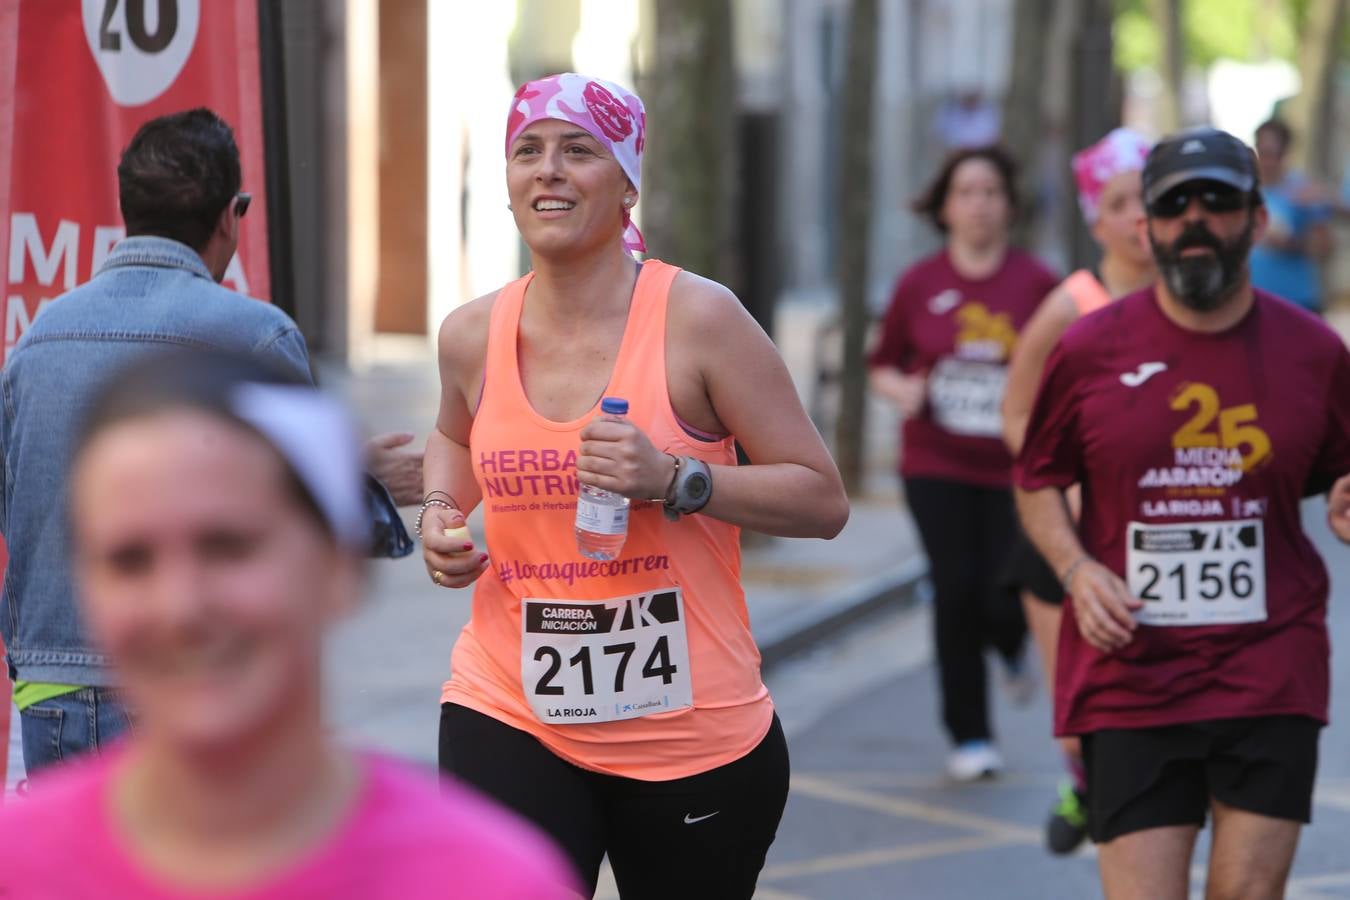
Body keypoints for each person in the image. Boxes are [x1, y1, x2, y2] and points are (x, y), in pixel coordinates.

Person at [420, 72, 848, 899]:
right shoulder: (470, 333)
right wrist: (441, 510)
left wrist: (678, 479)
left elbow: (821, 499)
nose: (548, 169)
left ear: (626, 185)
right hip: (506, 707)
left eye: (578, 150)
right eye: (527, 151)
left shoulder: (701, 320)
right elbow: (454, 435)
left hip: (690, 739)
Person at [0, 349, 578, 898]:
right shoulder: (16, 867)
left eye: (228, 547)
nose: (180, 606)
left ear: (339, 565)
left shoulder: (484, 882)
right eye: (130, 561)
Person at [0, 108, 415, 779]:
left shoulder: (38, 340)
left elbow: (17, 507)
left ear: (128, 211)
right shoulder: (256, 336)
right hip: (200, 671)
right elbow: (309, 527)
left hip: (52, 688)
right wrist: (367, 483)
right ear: (230, 216)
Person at [1015, 127, 1350, 900]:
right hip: (1131, 674)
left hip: (1271, 672)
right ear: (1146, 227)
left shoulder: (1314, 352)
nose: (1195, 220)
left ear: (1257, 220)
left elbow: (1341, 471)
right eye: (1175, 206)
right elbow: (1036, 479)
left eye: (1218, 201)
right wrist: (1076, 569)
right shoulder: (1089, 348)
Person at [868, 146, 1060, 781]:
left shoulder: (1038, 285)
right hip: (936, 462)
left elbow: (1066, 367)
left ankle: (1010, 641)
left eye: (990, 192)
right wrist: (903, 390)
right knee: (954, 591)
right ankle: (970, 735)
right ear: (945, 208)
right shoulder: (920, 284)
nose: (979, 204)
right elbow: (882, 363)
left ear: (1009, 205)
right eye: (966, 192)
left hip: (1014, 467)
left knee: (1001, 593)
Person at [999, 127, 1155, 853]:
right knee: (1076, 702)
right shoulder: (1072, 304)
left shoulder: (1190, 301)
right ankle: (1083, 782)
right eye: (1119, 204)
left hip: (1152, 533)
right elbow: (1017, 413)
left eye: (1148, 200)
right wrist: (1060, 487)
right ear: (1096, 221)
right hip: (1065, 533)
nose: (1138, 217)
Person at [1249, 118, 1334, 314]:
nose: (1269, 161)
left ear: (1286, 152)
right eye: (1264, 152)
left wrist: (1291, 245)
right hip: (1253, 302)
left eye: (1275, 153)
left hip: (1298, 301)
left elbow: (1325, 247)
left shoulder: (1303, 190)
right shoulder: (1244, 191)